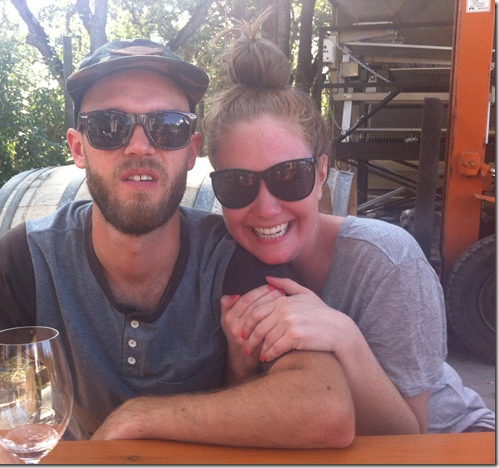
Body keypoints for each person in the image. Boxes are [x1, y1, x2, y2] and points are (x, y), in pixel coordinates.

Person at [0, 38, 355, 464]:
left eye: (167, 125)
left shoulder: (232, 257)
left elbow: (325, 405)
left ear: (192, 150)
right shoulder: (28, 258)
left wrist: (140, 417)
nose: (139, 146)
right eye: (109, 126)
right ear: (78, 148)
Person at [202, 16, 495, 435]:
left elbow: (408, 436)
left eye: (289, 176)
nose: (266, 208)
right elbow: (250, 415)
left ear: (322, 172)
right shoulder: (223, 262)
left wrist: (343, 337)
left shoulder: (388, 263)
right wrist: (240, 364)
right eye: (238, 183)